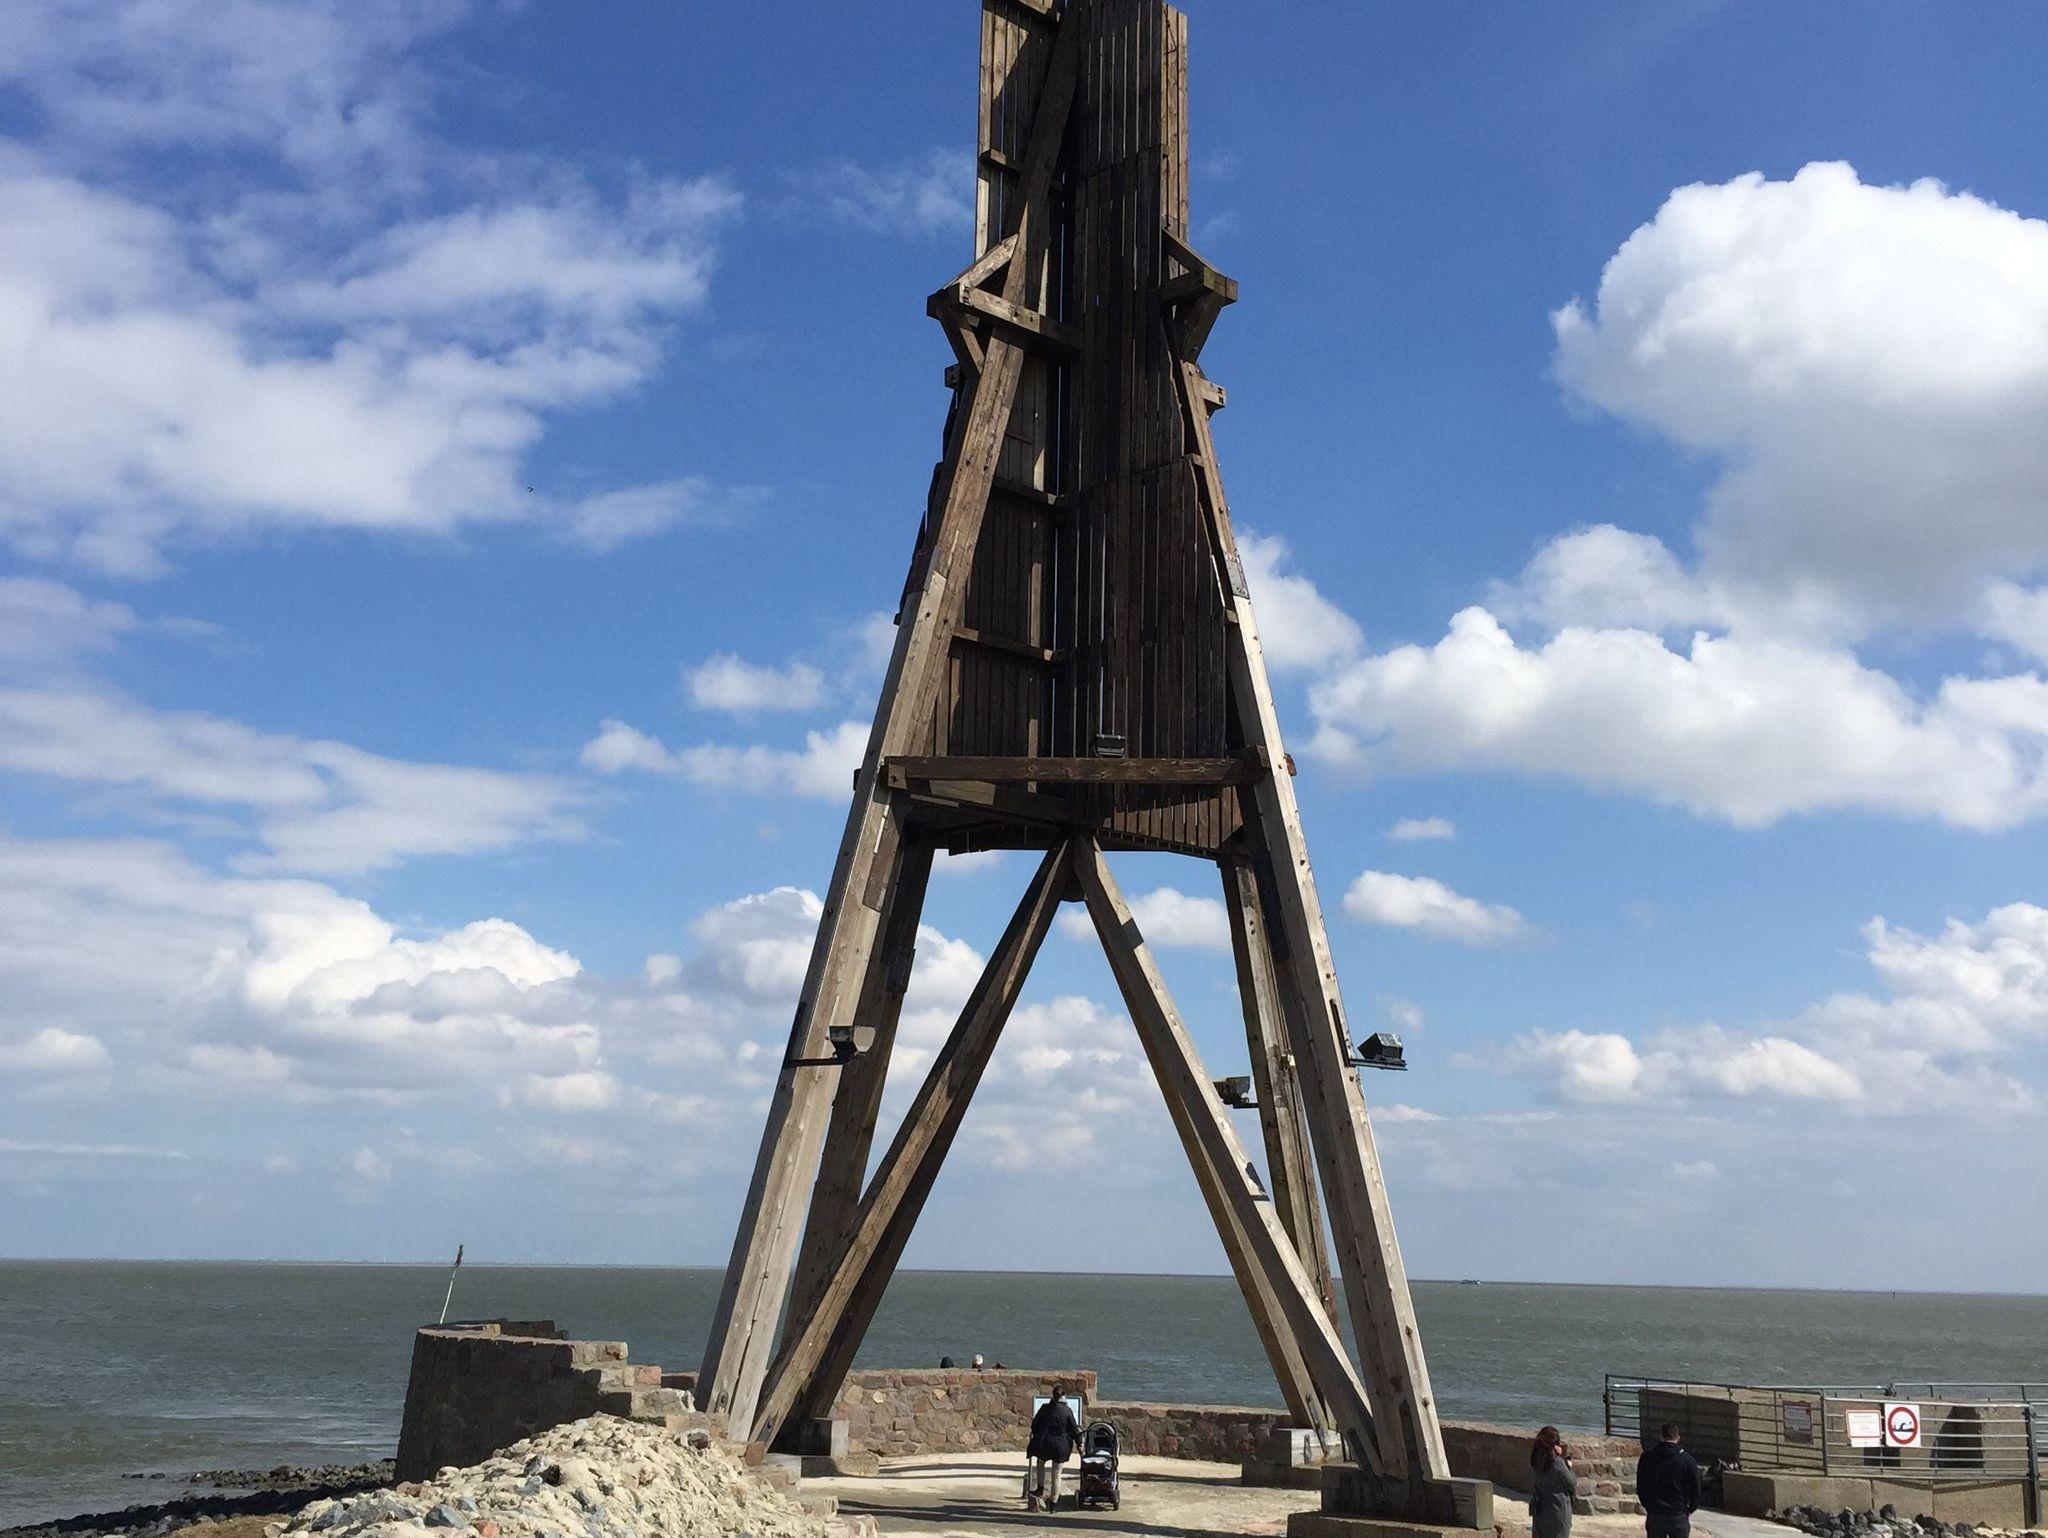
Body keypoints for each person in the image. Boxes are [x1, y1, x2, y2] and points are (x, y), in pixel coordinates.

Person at [1636, 1424, 1702, 1538]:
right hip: (1678, 1513)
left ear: (1661, 1436)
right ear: (1678, 1438)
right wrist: (1691, 1508)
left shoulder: (1647, 1457)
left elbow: (1641, 1484)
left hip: (1655, 1512)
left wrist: (1647, 1504)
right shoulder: (1687, 1460)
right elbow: (1696, 1487)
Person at [1026, 1382, 1082, 1513]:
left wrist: (1038, 1434)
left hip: (1044, 1443)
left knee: (1040, 1462)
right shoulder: (1067, 1411)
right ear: (1063, 1397)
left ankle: (1040, 1488)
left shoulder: (1045, 1408)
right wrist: (1079, 1443)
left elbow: (1034, 1424)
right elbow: (1074, 1429)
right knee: (1056, 1474)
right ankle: (1053, 1503)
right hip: (1060, 1446)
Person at [1529, 1425, 1577, 1538]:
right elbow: (1571, 1483)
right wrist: (1569, 1466)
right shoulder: (1557, 1463)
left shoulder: (1535, 1459)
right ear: (1555, 1445)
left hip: (1540, 1511)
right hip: (1557, 1510)